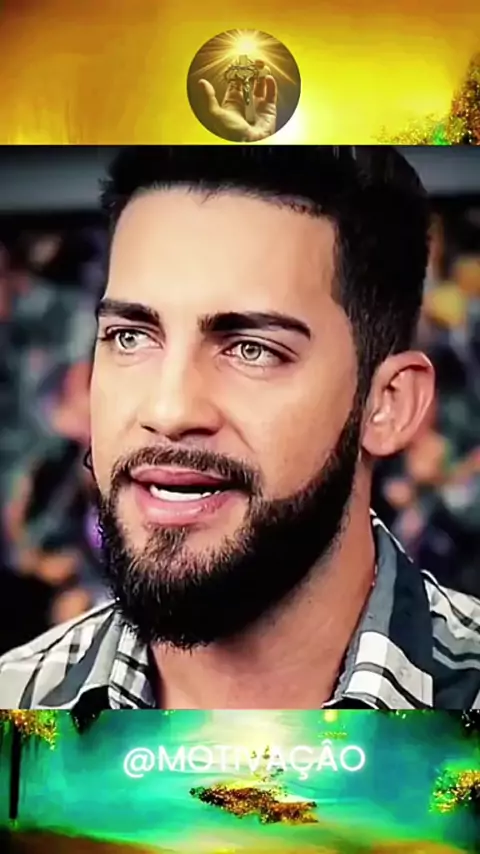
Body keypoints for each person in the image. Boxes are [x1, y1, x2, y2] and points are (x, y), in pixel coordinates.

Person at [1, 145, 479, 712]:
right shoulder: (14, 709)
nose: (170, 411)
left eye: (252, 349)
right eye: (131, 337)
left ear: (387, 405)